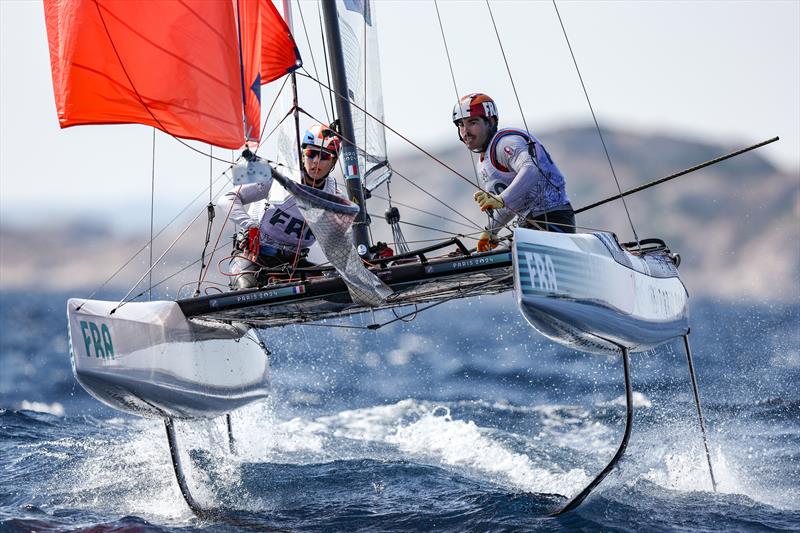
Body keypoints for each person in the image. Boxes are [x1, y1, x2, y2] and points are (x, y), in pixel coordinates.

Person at [220, 123, 342, 289]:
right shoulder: (276, 174)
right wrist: (250, 225)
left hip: (295, 265)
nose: (315, 162)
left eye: (324, 157)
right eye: (311, 154)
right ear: (302, 154)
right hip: (254, 258)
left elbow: (341, 242)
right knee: (247, 289)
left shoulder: (334, 197)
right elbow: (226, 199)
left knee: (338, 284)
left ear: (333, 161)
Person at [452, 93, 575, 252]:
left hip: (552, 219)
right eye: (461, 125)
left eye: (472, 122)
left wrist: (500, 199)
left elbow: (531, 169)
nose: (465, 131)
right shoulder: (484, 162)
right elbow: (514, 201)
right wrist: (491, 231)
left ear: (490, 121)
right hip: (530, 224)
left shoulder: (504, 143)